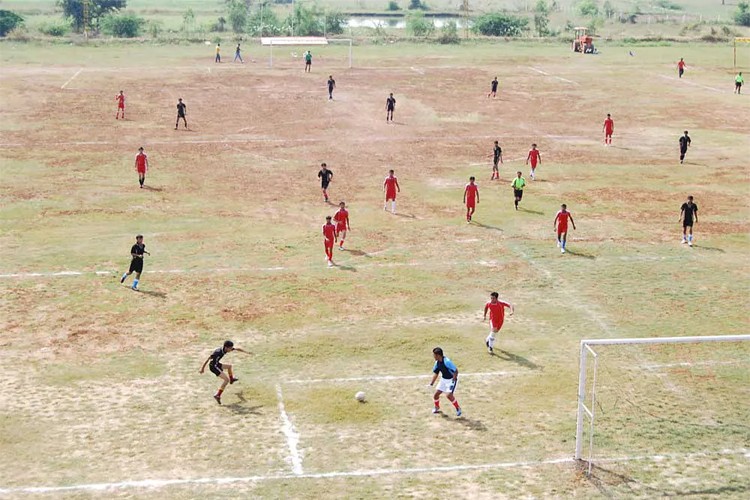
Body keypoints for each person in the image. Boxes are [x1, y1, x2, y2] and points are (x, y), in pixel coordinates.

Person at [199, 340, 250, 405]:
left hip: (216, 364)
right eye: (230, 348)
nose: (231, 349)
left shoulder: (225, 349)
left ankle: (232, 380)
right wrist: (202, 369)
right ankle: (218, 395)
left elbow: (237, 349)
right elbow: (208, 359)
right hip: (213, 367)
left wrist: (246, 352)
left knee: (229, 366)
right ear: (226, 347)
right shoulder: (218, 352)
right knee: (226, 380)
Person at [428, 347, 462, 417]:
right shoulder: (437, 363)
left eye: (434, 355)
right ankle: (437, 407)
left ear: (438, 355)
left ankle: (458, 408)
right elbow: (436, 373)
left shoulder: (447, 362)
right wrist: (431, 383)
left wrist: (454, 378)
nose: (433, 356)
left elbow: (456, 370)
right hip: (443, 380)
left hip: (451, 380)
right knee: (436, 395)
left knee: (449, 395)